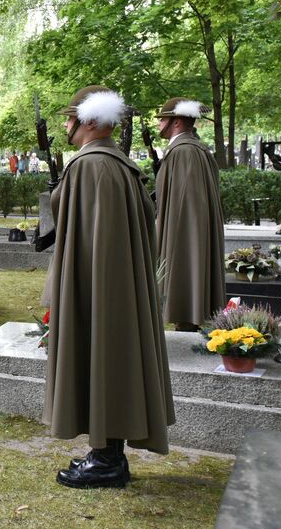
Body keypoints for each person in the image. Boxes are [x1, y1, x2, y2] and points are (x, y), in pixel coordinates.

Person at [43, 85, 174, 489]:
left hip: (99, 284)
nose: (65, 125)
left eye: (70, 117)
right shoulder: (119, 164)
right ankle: (108, 455)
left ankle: (106, 461)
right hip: (117, 285)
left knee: (103, 356)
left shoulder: (90, 166)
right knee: (114, 359)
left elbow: (73, 226)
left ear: (90, 121)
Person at [155, 97, 226, 332]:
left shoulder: (184, 152)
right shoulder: (191, 148)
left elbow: (186, 207)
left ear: (176, 122)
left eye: (162, 119)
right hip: (187, 230)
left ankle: (186, 315)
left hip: (184, 234)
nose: (158, 124)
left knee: (185, 275)